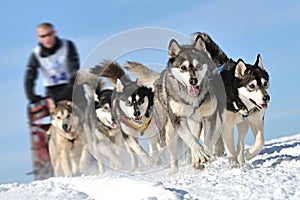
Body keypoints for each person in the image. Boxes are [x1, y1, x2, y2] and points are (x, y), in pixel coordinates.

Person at [24, 22, 80, 103]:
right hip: (52, 91)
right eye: (43, 36)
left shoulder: (67, 45)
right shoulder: (36, 54)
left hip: (72, 86)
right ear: (38, 38)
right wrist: (31, 96)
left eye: (49, 34)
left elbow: (74, 67)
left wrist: (72, 84)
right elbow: (29, 76)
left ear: (54, 33)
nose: (47, 38)